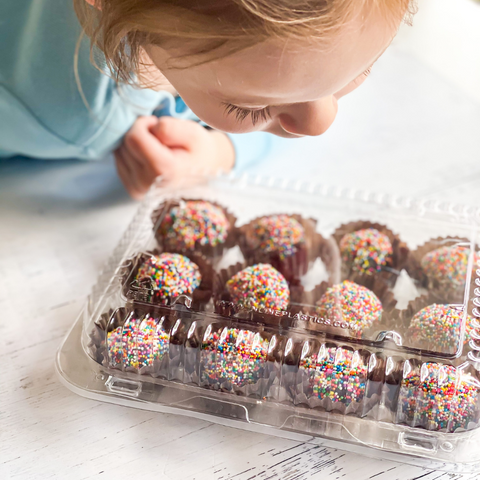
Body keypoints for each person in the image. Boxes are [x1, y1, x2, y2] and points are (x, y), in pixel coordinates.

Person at [0, 0, 414, 198]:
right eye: (249, 107)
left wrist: (224, 147)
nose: (320, 123)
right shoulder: (66, 115)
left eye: (363, 67)